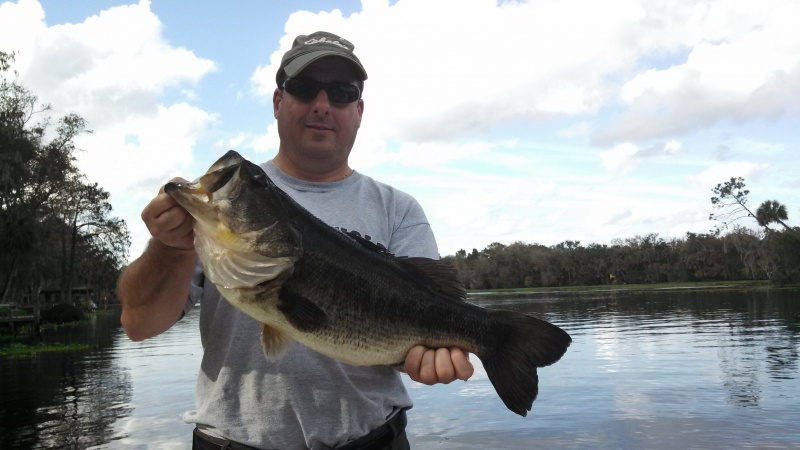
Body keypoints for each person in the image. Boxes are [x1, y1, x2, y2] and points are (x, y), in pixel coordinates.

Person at [118, 31, 474, 450]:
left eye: (341, 93)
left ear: (358, 111)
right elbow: (139, 325)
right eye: (304, 89)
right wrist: (169, 247)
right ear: (277, 102)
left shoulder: (399, 210)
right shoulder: (217, 216)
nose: (322, 105)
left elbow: (423, 322)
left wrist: (433, 359)